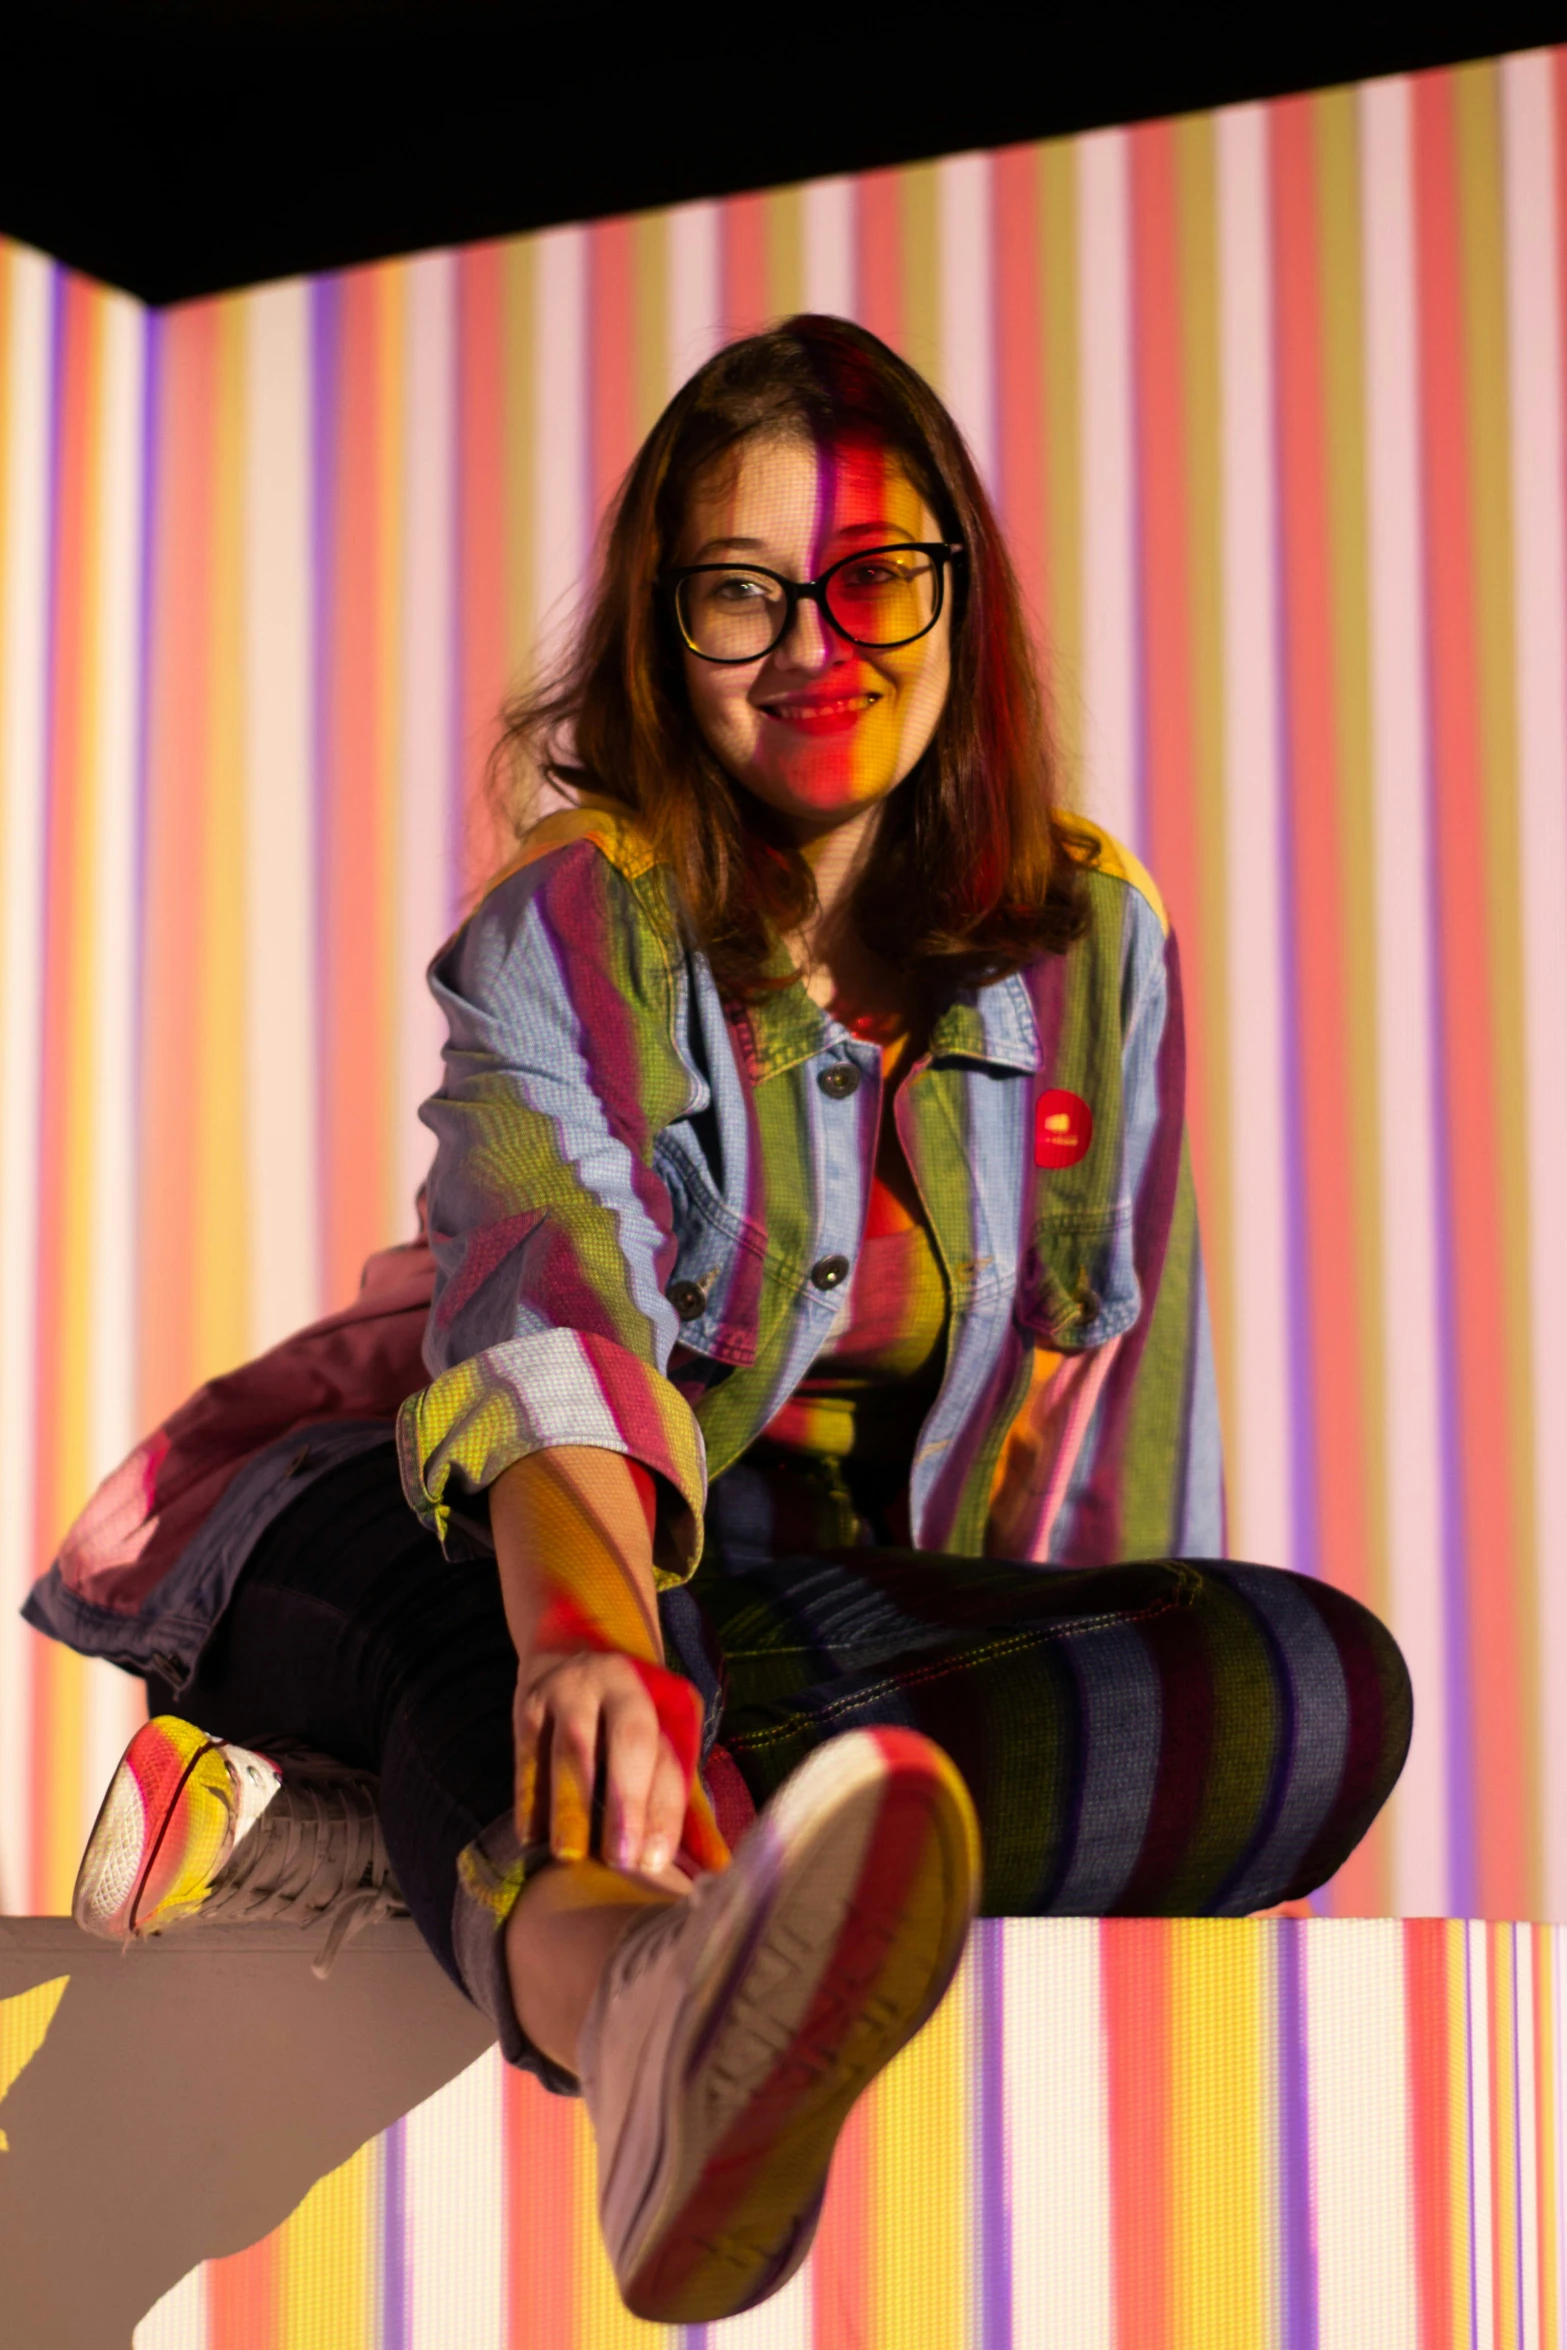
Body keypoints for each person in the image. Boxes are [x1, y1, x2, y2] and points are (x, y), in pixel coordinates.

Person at [38, 316, 1411, 2324]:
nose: (814, 643)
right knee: (557, 1656)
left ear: (959, 595)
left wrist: (1087, 1695)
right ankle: (635, 2000)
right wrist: (590, 1638)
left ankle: (398, 1810)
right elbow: (545, 1308)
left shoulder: (1095, 948)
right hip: (452, 1506)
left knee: (1313, 1676)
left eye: (873, 577)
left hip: (800, 1608)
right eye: (739, 592)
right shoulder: (568, 922)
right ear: (665, 636)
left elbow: (1108, 1409)